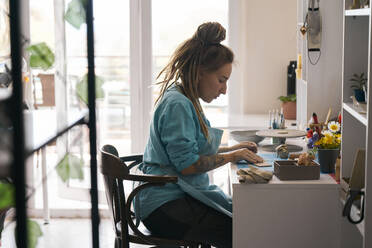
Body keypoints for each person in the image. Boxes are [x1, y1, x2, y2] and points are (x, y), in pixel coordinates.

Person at [136, 22, 263, 248]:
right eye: (221, 80)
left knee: (245, 221)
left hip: (169, 198)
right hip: (163, 207)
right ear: (199, 73)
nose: (224, 89)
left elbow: (192, 153)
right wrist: (232, 157)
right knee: (243, 230)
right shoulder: (178, 104)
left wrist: (233, 150)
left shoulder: (185, 97)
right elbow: (187, 165)